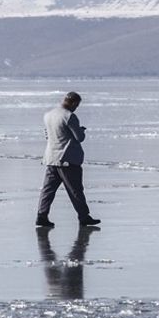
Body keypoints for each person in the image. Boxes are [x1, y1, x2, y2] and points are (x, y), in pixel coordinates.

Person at [37, 91, 101, 227]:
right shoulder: (69, 116)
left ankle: (41, 216)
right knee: (75, 190)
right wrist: (81, 130)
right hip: (67, 160)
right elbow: (79, 138)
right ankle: (84, 217)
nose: (76, 108)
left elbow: (48, 135)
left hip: (51, 158)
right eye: (76, 105)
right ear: (73, 103)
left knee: (47, 190)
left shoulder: (48, 115)